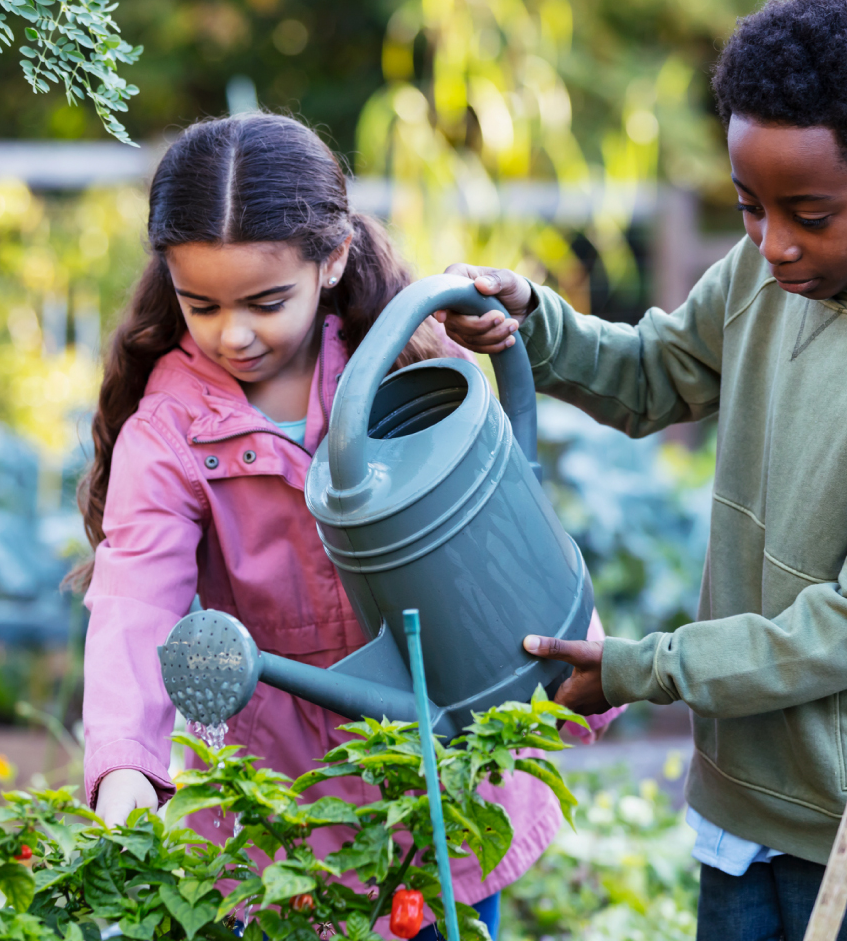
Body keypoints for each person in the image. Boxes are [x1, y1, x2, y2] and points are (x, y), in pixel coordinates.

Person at [436, 0, 847, 941]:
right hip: (746, 803)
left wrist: (643, 668)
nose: (774, 244)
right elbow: (658, 373)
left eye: (808, 215)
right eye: (749, 207)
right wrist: (532, 323)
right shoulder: (770, 271)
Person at [71, 113, 620, 941]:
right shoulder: (172, 432)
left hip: (445, 777)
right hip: (286, 801)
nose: (235, 333)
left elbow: (498, 536)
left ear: (330, 260)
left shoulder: (408, 363)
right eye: (202, 306)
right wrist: (124, 768)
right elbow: (133, 601)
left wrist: (577, 663)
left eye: (265, 301)